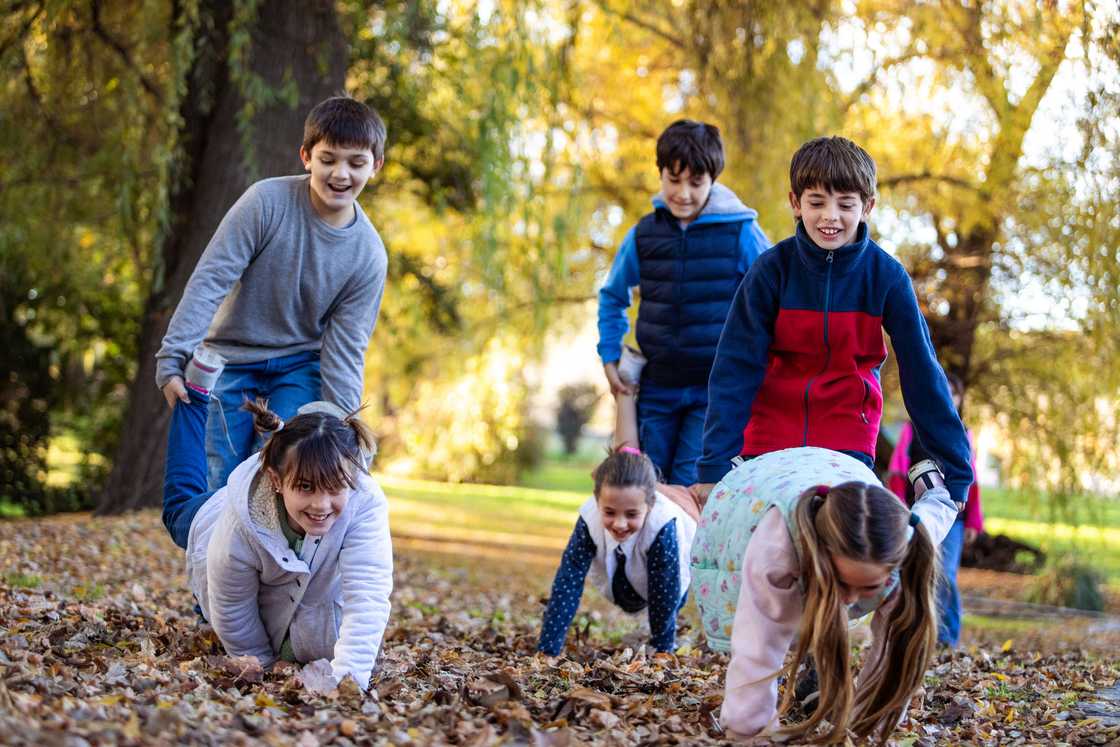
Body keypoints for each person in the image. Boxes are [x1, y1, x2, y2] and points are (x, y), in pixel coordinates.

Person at [692, 136, 973, 513]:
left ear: (867, 206)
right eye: (816, 202)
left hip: (846, 437)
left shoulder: (885, 277)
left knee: (837, 547)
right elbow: (734, 370)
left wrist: (955, 468)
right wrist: (713, 466)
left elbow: (922, 373)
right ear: (795, 202)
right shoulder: (770, 273)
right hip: (768, 437)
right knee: (768, 547)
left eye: (845, 205)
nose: (830, 217)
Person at [156, 96, 389, 490]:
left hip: (298, 366)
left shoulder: (368, 256)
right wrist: (173, 357)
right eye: (328, 158)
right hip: (228, 358)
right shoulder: (265, 203)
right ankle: (215, 554)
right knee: (219, 482)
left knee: (278, 477)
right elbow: (212, 279)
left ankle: (272, 554)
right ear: (306, 156)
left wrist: (349, 432)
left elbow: (346, 351)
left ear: (376, 165)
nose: (341, 173)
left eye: (356, 162)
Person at [690, 447, 958, 742]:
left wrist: (871, 726)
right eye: (842, 583)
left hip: (844, 476)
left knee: (898, 618)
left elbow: (894, 652)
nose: (850, 600)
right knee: (768, 621)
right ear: (818, 557)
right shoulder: (776, 549)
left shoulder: (907, 546)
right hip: (756, 490)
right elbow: (758, 644)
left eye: (868, 587)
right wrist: (749, 731)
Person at [161, 352, 393, 690]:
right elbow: (232, 605)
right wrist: (263, 667)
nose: (321, 504)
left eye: (334, 489)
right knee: (178, 506)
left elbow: (368, 592)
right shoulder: (239, 526)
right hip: (215, 516)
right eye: (305, 487)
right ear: (276, 479)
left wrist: (349, 682)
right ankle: (195, 399)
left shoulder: (365, 504)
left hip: (296, 605)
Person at [597, 119, 769, 488]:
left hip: (713, 392)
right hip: (657, 388)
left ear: (713, 179)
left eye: (695, 182)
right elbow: (613, 296)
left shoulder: (740, 232)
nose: (683, 193)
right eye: (673, 180)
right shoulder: (644, 234)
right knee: (644, 488)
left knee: (691, 491)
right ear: (660, 175)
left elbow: (774, 294)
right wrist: (610, 355)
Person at [537, 447, 697, 656]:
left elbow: (665, 594)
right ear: (597, 502)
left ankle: (665, 639)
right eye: (610, 512)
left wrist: (662, 652)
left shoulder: (663, 525)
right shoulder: (589, 519)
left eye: (631, 514)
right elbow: (568, 581)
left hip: (672, 575)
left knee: (666, 604)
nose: (620, 524)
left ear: (650, 505)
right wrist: (548, 649)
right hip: (618, 582)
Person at [888, 373, 983, 647]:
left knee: (945, 575)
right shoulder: (912, 428)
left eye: (955, 392)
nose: (949, 396)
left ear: (960, 398)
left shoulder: (964, 433)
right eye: (946, 390)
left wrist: (975, 522)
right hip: (913, 513)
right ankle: (907, 633)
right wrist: (896, 508)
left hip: (953, 516)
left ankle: (946, 638)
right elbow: (897, 470)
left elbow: (972, 479)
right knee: (907, 572)